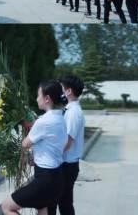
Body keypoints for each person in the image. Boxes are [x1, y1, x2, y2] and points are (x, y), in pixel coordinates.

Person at [0, 80, 67, 215]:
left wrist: (27, 127)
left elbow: (25, 144)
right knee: (42, 208)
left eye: (38, 95)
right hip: (57, 178)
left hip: (45, 180)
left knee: (7, 206)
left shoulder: (43, 121)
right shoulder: (61, 118)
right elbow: (49, 143)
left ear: (47, 99)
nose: (37, 99)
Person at [48, 76, 86, 215]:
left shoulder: (73, 113)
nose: (59, 92)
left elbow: (67, 143)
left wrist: (48, 155)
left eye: (61, 89)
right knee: (63, 203)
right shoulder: (69, 110)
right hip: (66, 164)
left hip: (66, 166)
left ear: (68, 91)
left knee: (62, 204)